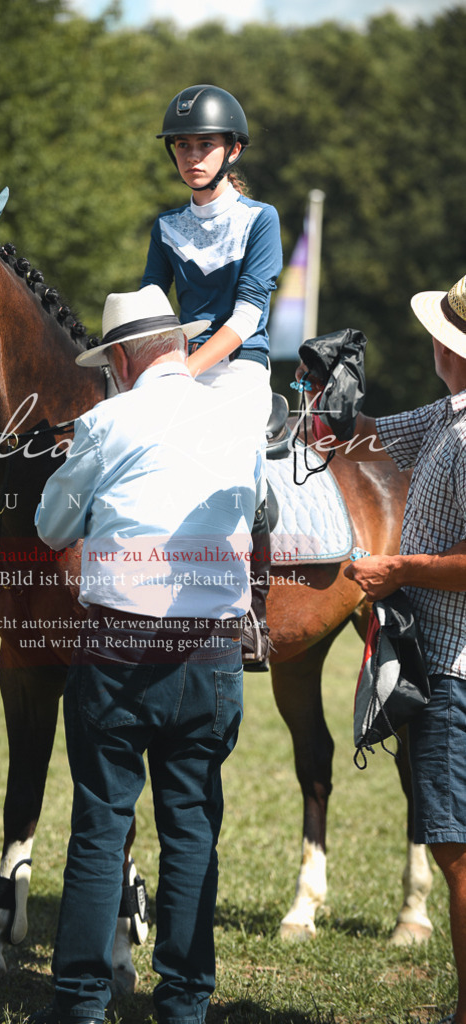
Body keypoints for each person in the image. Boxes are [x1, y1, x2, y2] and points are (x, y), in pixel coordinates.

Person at [33, 285, 258, 1024]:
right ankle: (186, 1002)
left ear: (124, 357)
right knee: (191, 826)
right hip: (212, 653)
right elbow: (259, 504)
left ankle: (81, 1003)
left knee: (101, 823)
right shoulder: (235, 416)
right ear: (177, 345)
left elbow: (51, 525)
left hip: (119, 655)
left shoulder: (107, 418)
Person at [299, 273, 466, 1024]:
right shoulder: (446, 416)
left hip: (458, 672)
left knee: (458, 854)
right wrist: (329, 403)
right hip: (443, 666)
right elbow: (366, 438)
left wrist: (396, 568)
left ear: (447, 343)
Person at [141, 83, 283, 670]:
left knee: (232, 460)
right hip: (178, 366)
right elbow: (149, 307)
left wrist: (183, 370)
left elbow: (248, 315)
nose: (192, 157)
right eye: (182, 147)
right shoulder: (166, 227)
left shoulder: (262, 220)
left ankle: (248, 607)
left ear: (234, 150)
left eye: (206, 145)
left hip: (240, 367)